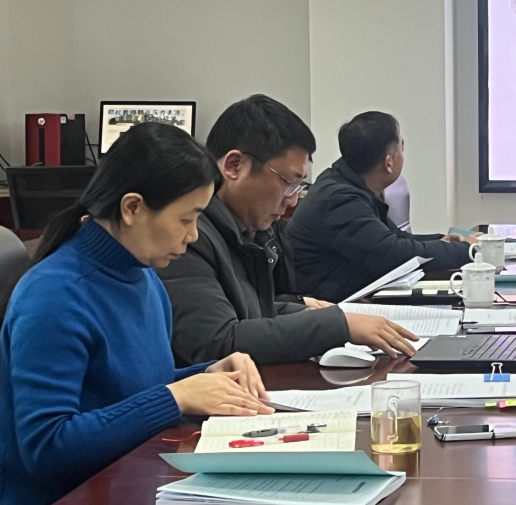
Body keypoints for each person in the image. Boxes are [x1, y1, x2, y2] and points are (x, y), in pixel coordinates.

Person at [0, 123, 273, 505]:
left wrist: (206, 376)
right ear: (132, 208)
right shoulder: (53, 296)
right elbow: (47, 447)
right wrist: (177, 396)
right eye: (186, 219)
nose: (193, 236)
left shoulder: (141, 274)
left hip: (128, 487)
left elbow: (126, 389)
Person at [158, 96, 418, 366]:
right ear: (234, 166)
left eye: (299, 186)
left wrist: (305, 310)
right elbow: (218, 341)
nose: (292, 200)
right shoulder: (188, 238)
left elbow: (253, 312)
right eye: (288, 183)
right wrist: (338, 325)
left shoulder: (249, 230)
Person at [289, 111, 474, 301]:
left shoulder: (349, 184)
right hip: (319, 303)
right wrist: (467, 250)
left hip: (345, 294)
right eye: (402, 147)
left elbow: (393, 238)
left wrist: (442, 242)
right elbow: (391, 254)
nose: (404, 153)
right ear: (389, 163)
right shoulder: (340, 199)